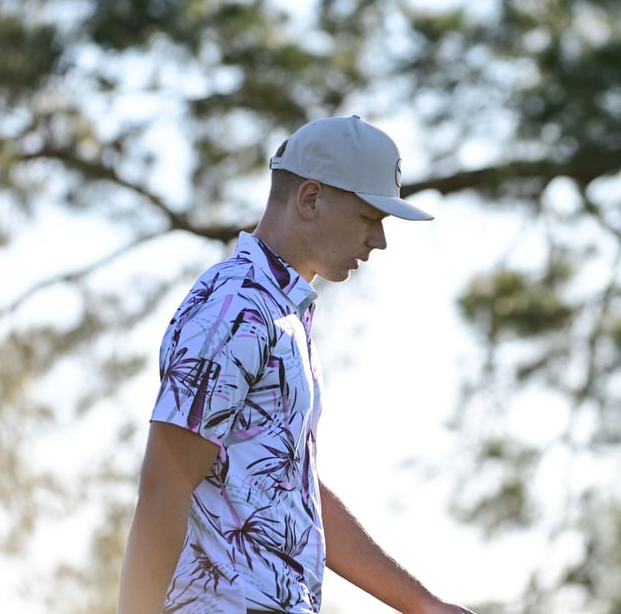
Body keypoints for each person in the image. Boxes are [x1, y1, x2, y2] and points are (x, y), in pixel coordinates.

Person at [116, 116, 473, 614]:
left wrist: (422, 605)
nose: (380, 241)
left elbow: (291, 491)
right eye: (370, 218)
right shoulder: (235, 306)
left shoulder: (280, 312)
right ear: (310, 198)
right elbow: (164, 485)